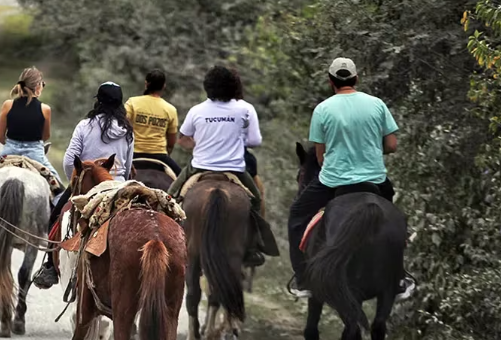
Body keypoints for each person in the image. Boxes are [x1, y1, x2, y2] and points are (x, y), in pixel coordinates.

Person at [287, 57, 398, 297]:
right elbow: (391, 145)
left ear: (331, 81)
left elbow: (320, 157)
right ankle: (397, 275)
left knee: (296, 215)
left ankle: (303, 279)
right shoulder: (377, 104)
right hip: (375, 180)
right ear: (356, 78)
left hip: (333, 181)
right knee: (393, 221)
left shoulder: (322, 109)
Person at [166, 65, 277, 266]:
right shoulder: (245, 109)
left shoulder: (197, 110)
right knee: (256, 200)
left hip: (199, 167)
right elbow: (255, 141)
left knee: (170, 197)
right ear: (233, 86)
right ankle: (253, 246)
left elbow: (183, 140)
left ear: (207, 86)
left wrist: (200, 143)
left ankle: (168, 241)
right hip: (234, 169)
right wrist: (235, 138)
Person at [33, 81, 135, 285]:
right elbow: (129, 164)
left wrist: (77, 182)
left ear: (98, 101)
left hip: (87, 186)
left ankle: (50, 266)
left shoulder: (85, 126)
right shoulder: (127, 130)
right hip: (118, 186)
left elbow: (69, 161)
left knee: (55, 216)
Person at [0, 67, 62, 244]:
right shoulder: (45, 109)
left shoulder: (8, 105)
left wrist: (13, 145)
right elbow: (45, 136)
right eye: (42, 84)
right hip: (35, 153)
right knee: (58, 187)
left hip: (10, 150)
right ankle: (53, 229)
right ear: (37, 87)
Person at [125, 69, 182, 174]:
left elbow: (123, 127)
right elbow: (171, 143)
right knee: (183, 180)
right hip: (159, 155)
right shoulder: (170, 109)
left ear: (146, 84)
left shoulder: (132, 103)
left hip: (134, 153)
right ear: (164, 86)